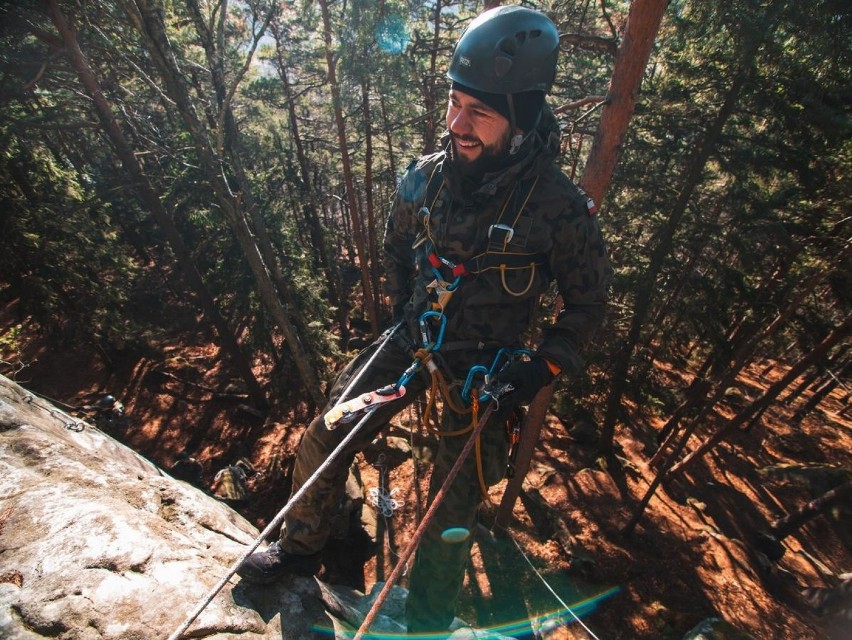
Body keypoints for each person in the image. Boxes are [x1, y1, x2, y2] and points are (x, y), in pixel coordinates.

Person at [237, 5, 611, 634]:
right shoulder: (425, 178)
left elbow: (588, 304)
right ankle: (300, 550)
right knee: (325, 435)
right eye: (454, 102)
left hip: (484, 379)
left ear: (518, 120)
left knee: (447, 520)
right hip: (412, 345)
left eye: (478, 112)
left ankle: (426, 625)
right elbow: (394, 246)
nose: (456, 123)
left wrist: (539, 366)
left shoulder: (560, 210)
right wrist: (404, 311)